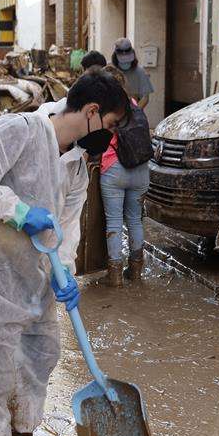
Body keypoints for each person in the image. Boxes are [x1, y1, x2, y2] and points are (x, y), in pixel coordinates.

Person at [0, 69, 130, 436]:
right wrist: (17, 211)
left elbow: (67, 224)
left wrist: (65, 271)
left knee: (42, 351)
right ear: (91, 111)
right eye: (111, 124)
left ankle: (23, 435)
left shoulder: (78, 166)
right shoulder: (20, 130)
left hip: (36, 270)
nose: (112, 136)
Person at [98, 65, 151, 287]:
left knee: (114, 221)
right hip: (141, 170)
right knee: (135, 220)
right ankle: (136, 271)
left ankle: (115, 275)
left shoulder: (104, 109)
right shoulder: (134, 104)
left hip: (114, 170)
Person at [112, 38, 154, 109]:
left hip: (134, 108)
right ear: (115, 57)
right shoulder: (110, 70)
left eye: (127, 59)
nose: (125, 62)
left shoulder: (140, 72)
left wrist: (136, 111)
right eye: (122, 59)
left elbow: (145, 97)